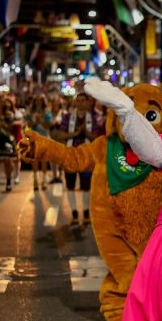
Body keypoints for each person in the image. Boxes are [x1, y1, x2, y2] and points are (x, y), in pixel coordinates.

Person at [55, 92, 102, 224]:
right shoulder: (67, 117)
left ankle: (86, 211)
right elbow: (60, 135)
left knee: (86, 185)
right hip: (71, 154)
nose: (80, 103)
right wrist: (75, 133)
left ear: (87, 103)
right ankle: (74, 212)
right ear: (75, 102)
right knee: (70, 185)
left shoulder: (93, 118)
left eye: (83, 100)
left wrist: (85, 132)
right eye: (78, 100)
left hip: (86, 156)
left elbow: (97, 138)